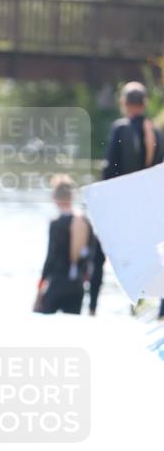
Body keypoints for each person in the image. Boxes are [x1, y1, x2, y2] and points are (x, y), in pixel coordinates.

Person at [89, 82, 164, 315]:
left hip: (121, 204)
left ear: (124, 104)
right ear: (144, 104)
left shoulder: (120, 129)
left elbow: (109, 169)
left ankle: (92, 307)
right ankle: (158, 311)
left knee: (100, 253)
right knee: (153, 257)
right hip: (147, 207)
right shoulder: (158, 134)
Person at [34, 175, 93, 315]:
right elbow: (91, 256)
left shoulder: (56, 223)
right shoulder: (85, 222)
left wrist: (39, 291)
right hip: (77, 287)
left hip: (57, 284)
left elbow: (50, 259)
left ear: (55, 197)